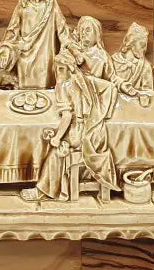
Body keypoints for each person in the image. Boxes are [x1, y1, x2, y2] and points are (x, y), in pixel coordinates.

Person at [21, 51, 119, 202]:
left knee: (57, 151)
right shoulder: (84, 79)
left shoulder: (63, 85)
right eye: (56, 68)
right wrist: (100, 116)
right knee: (55, 138)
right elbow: (111, 87)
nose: (58, 72)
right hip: (94, 132)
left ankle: (43, 191)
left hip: (80, 134)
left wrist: (57, 138)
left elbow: (67, 117)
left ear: (70, 68)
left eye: (61, 68)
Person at [0, 0, 73, 89]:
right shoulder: (23, 5)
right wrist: (5, 51)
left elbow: (62, 29)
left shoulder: (51, 4)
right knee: (26, 89)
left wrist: (69, 46)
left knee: (44, 88)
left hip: (45, 56)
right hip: (24, 56)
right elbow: (12, 32)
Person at [111, 22, 153, 95]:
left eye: (145, 45)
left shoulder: (145, 66)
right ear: (131, 42)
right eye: (142, 44)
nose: (145, 48)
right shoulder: (114, 61)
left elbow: (148, 92)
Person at [70, 16, 115, 81]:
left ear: (97, 34)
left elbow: (112, 78)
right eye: (82, 30)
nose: (83, 33)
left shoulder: (103, 56)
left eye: (88, 30)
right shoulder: (73, 50)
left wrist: (122, 84)